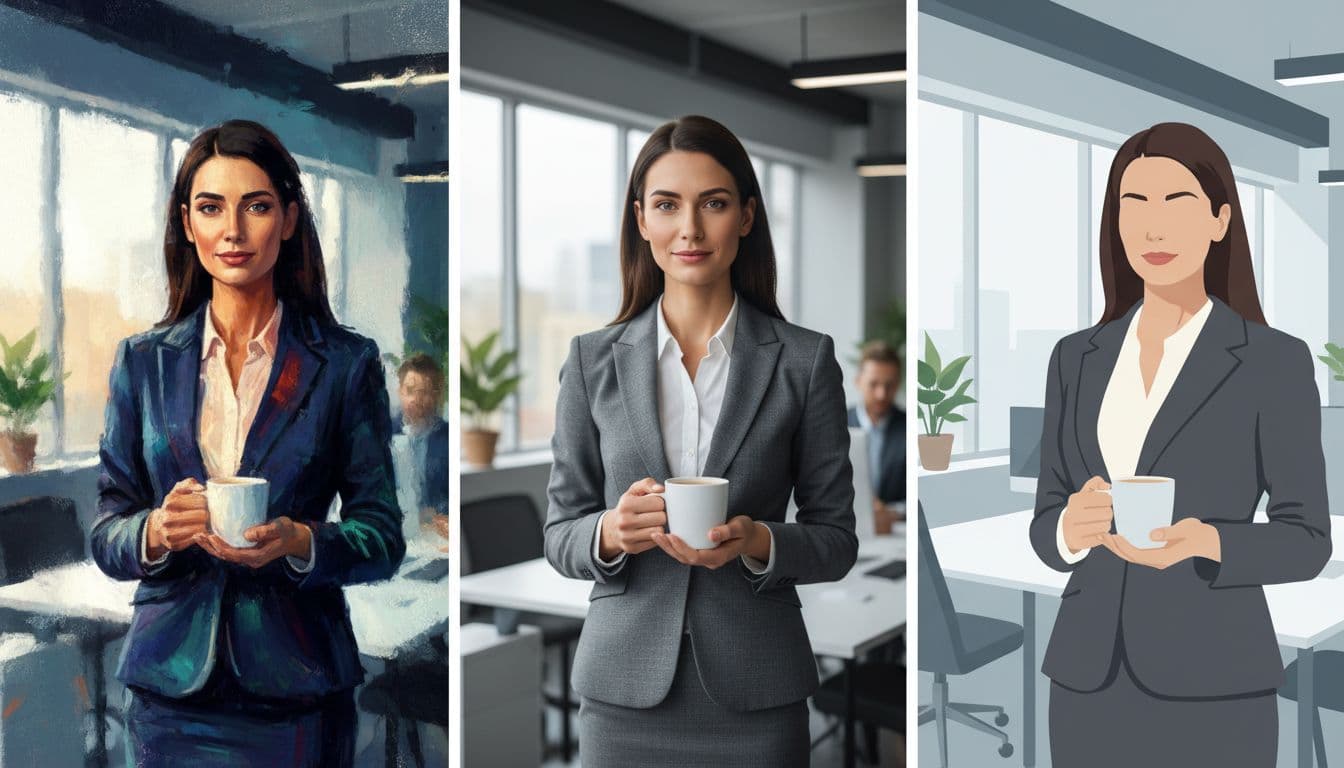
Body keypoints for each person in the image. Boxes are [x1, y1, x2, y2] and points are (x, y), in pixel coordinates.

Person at [544, 114, 858, 768]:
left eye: (712, 204)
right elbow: (558, 534)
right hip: (621, 694)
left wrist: (758, 541)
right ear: (642, 220)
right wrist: (608, 531)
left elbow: (836, 539)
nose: (689, 229)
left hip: (758, 691)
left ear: (745, 216)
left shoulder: (804, 360)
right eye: (667, 205)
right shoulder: (589, 361)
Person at [91, 119, 405, 767]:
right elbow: (106, 533)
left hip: (298, 693)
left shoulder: (344, 364)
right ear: (186, 223)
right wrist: (154, 530)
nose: (232, 231)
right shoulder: (141, 363)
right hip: (166, 693)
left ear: (288, 219)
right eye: (210, 208)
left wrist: (300, 542)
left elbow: (381, 536)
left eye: (256, 206)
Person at [1028, 122, 1330, 767]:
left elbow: (1307, 538)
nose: (1152, 228)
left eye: (1176, 203)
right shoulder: (1074, 358)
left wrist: (1209, 542)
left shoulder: (1271, 361)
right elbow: (1047, 516)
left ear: (1220, 220)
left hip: (1214, 676)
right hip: (1087, 674)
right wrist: (1067, 532)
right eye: (1132, 205)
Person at [847, 339, 906, 530]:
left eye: (889, 385)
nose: (881, 394)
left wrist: (893, 513)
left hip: (894, 533)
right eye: (873, 384)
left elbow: (926, 495)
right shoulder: (835, 424)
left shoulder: (912, 428)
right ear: (858, 381)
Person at [392, 352, 450, 542]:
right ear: (400, 391)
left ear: (436, 395)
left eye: (424, 392)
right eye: (410, 390)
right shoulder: (382, 435)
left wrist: (441, 514)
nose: (416, 399)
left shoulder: (448, 438)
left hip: (435, 536)